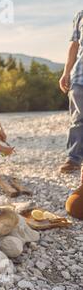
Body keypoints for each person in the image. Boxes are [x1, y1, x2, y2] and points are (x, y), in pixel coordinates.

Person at [59, 10, 83, 173]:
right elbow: (74, 45)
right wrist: (66, 72)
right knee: (77, 119)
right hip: (80, 76)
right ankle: (73, 159)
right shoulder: (80, 15)